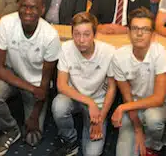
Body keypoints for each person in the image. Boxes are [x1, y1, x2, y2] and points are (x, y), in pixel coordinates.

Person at [0, 0, 61, 155]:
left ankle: (28, 116)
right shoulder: (5, 23)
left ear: (42, 10)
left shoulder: (50, 36)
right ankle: (11, 129)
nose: (27, 11)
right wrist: (32, 89)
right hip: (11, 75)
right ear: (18, 6)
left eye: (33, 7)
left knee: (33, 139)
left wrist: (34, 115)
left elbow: (45, 84)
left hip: (36, 83)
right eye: (24, 6)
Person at [49, 12, 117, 156]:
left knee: (92, 154)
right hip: (75, 98)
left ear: (95, 34)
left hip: (98, 104)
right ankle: (70, 140)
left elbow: (112, 88)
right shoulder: (66, 48)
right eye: (76, 34)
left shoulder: (108, 52)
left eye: (86, 34)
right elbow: (61, 85)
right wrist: (88, 101)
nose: (81, 40)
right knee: (58, 105)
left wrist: (100, 118)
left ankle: (95, 126)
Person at [111, 7, 166, 156]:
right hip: (134, 105)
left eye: (145, 29)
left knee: (153, 119)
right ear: (128, 32)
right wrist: (137, 128)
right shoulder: (119, 57)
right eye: (135, 28)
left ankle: (154, 146)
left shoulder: (159, 53)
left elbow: (158, 99)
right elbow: (127, 96)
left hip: (159, 106)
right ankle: (142, 133)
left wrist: (122, 108)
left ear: (152, 34)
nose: (139, 34)